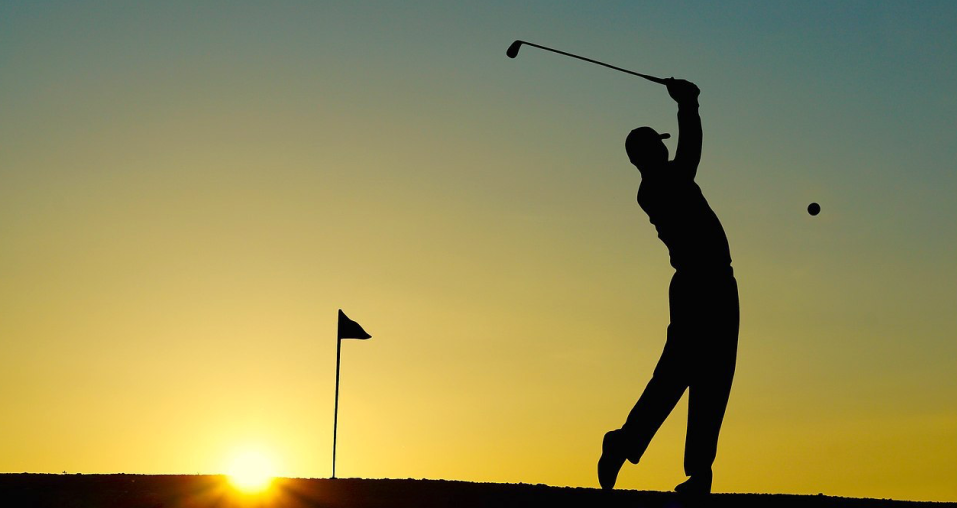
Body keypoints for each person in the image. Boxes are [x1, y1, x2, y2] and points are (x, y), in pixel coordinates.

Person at [597, 78, 739, 495]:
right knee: (680, 373)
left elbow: (686, 155)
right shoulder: (660, 185)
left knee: (713, 376)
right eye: (658, 145)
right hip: (700, 286)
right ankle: (625, 442)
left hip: (715, 283)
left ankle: (696, 473)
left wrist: (689, 104)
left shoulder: (662, 181)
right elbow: (690, 152)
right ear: (649, 154)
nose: (665, 148)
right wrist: (688, 104)